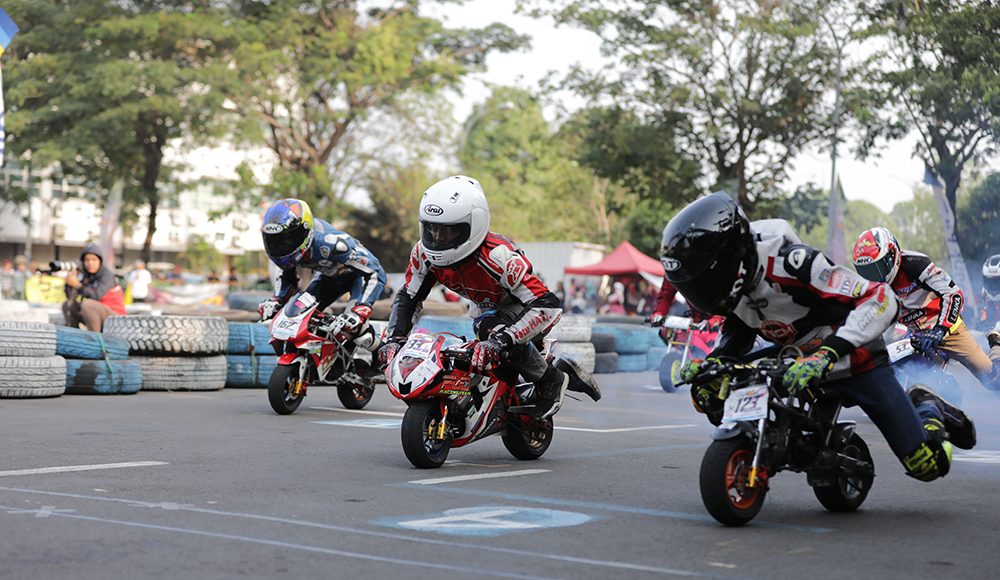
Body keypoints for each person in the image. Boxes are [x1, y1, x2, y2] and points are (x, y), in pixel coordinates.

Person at [663, 192, 975, 483]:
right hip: (796, 358)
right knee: (710, 389)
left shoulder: (792, 263)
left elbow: (881, 299)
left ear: (732, 261)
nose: (701, 293)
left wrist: (828, 353)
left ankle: (926, 404)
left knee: (927, 464)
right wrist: (716, 361)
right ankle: (780, 441)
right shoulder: (735, 284)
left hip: (855, 357)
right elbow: (740, 326)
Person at [376, 175, 599, 418]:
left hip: (523, 308)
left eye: (448, 231)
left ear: (474, 225)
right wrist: (394, 339)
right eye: (431, 228)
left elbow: (548, 305)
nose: (437, 238)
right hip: (485, 310)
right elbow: (408, 297)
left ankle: (550, 379)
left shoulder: (498, 257)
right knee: (481, 350)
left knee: (488, 330)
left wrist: (502, 340)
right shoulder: (423, 253)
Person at [851, 227, 1000, 388]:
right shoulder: (869, 288)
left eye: (876, 268)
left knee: (992, 381)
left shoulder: (916, 264)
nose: (872, 277)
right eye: (865, 271)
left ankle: (995, 348)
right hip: (912, 335)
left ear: (892, 255)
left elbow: (953, 294)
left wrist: (940, 329)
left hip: (946, 329)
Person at [257, 198, 386, 351]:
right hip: (327, 278)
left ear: (304, 231)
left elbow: (376, 271)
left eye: (287, 239)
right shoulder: (290, 254)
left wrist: (361, 309)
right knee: (297, 320)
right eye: (274, 241)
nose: (280, 246)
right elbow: (287, 276)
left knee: (356, 330)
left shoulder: (334, 244)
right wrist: (277, 299)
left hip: (357, 278)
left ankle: (381, 353)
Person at [62, 243, 127, 331]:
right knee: (67, 305)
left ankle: (95, 338)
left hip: (116, 318)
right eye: (87, 260)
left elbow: (96, 296)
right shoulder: (86, 276)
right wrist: (69, 284)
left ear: (100, 261)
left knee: (88, 305)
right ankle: (73, 336)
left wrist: (77, 285)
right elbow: (70, 297)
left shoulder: (107, 275)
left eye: (94, 260)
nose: (90, 263)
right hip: (97, 314)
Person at [981, 254, 1000, 331]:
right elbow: (984, 319)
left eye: (997, 281)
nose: (993, 285)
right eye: (990, 281)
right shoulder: (984, 294)